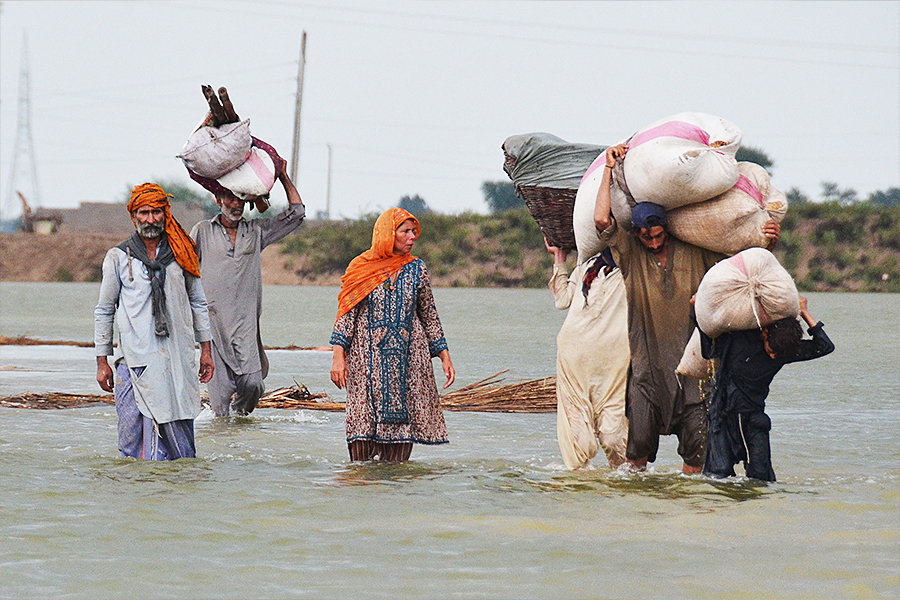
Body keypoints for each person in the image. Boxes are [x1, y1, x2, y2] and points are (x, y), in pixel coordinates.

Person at [593, 143, 781, 473]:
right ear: (637, 235)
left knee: (696, 464)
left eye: (658, 236)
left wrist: (768, 238)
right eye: (646, 237)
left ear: (667, 228)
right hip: (647, 375)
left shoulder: (697, 248)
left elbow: (747, 260)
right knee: (634, 462)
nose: (653, 243)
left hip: (695, 375)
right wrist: (609, 168)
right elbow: (599, 219)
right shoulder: (631, 254)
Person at [94, 183, 214, 460]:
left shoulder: (183, 254)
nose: (150, 219)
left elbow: (198, 302)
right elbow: (104, 310)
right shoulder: (118, 258)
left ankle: (179, 489)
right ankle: (137, 493)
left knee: (180, 434)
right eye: (144, 212)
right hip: (133, 360)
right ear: (134, 216)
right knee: (131, 438)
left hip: (176, 358)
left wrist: (206, 350)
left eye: (156, 212)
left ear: (165, 214)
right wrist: (102, 361)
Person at [329, 208, 455, 461]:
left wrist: (444, 355)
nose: (412, 237)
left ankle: (397, 494)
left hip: (409, 359)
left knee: (399, 445)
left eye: (414, 231)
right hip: (365, 360)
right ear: (388, 234)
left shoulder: (417, 269)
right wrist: (337, 356)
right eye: (406, 231)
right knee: (362, 435)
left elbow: (428, 313)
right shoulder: (361, 268)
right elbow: (346, 314)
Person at [189, 150, 305, 417]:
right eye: (230, 197)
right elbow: (184, 268)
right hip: (213, 331)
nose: (236, 204)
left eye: (241, 198)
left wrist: (283, 176)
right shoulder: (203, 231)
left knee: (253, 386)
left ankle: (242, 426)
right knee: (220, 411)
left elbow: (297, 214)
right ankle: (227, 450)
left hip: (246, 329)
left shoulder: (255, 232)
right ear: (218, 198)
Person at [698, 296, 835, 481]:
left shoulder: (786, 349)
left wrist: (803, 312)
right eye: (771, 350)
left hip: (754, 417)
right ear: (765, 333)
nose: (773, 357)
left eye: (777, 354)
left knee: (762, 478)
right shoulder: (740, 339)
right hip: (722, 417)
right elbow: (708, 351)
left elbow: (825, 347)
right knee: (717, 474)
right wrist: (697, 310)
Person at [545, 238, 629, 470]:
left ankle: (622, 494)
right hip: (574, 360)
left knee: (614, 438)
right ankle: (580, 493)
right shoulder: (587, 265)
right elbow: (562, 299)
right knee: (578, 441)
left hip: (614, 365)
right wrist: (559, 258)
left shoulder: (635, 270)